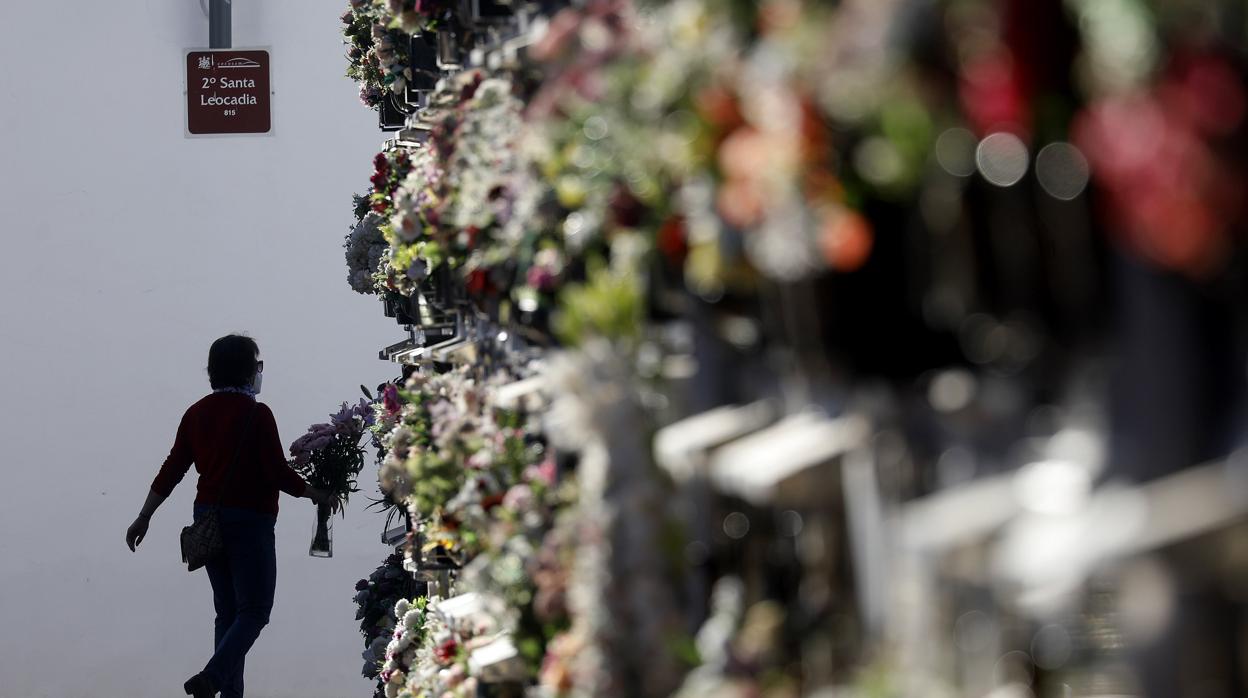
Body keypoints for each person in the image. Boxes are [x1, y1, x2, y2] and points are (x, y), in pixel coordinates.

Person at [125, 334, 336, 698]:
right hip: (250, 521)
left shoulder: (196, 413)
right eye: (257, 366)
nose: (259, 372)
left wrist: (144, 516)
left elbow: (173, 469)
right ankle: (213, 676)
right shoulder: (257, 413)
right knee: (254, 611)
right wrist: (315, 493)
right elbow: (275, 471)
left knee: (227, 613)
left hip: (207, 519)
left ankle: (227, 691)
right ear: (247, 370)